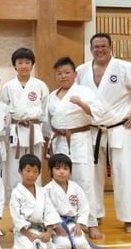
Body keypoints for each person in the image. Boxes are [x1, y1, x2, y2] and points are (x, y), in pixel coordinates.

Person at [77, 33, 131, 234]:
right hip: (94, 130)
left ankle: (129, 218)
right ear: (91, 49)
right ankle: (94, 214)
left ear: (110, 47)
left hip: (119, 128)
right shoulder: (81, 71)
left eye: (103, 46)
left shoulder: (125, 68)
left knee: (124, 174)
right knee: (93, 176)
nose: (100, 49)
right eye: (96, 46)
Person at [45, 56, 105, 239]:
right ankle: (60, 220)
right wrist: (47, 146)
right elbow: (47, 123)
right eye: (59, 73)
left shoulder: (84, 92)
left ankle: (91, 223)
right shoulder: (51, 96)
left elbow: (98, 114)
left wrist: (81, 104)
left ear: (75, 74)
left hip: (78, 140)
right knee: (60, 182)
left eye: (67, 72)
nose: (63, 76)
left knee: (85, 181)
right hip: (58, 141)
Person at [0, 48, 49, 192]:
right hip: (15, 131)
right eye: (20, 62)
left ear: (32, 64)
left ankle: (36, 198)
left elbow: (45, 112)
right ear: (14, 65)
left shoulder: (40, 86)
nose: (23, 66)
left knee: (35, 165)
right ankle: (14, 200)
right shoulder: (8, 87)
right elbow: (4, 114)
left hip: (34, 130)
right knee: (13, 167)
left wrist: (46, 134)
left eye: (27, 62)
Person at [10, 154, 63, 249]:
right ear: (20, 171)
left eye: (35, 171)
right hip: (25, 231)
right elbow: (16, 217)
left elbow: (50, 212)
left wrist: (48, 232)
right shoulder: (16, 192)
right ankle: (29, 245)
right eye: (28, 170)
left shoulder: (42, 191)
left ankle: (39, 245)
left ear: (39, 173)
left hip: (41, 230)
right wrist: (28, 234)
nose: (31, 175)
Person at [44, 153, 91, 249]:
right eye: (57, 168)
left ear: (70, 171)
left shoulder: (75, 187)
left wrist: (79, 224)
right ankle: (53, 240)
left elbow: (84, 207)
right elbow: (46, 211)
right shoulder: (47, 189)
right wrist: (56, 226)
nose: (62, 172)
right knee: (64, 247)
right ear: (50, 171)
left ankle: (74, 240)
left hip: (72, 223)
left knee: (82, 246)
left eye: (65, 169)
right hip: (56, 225)